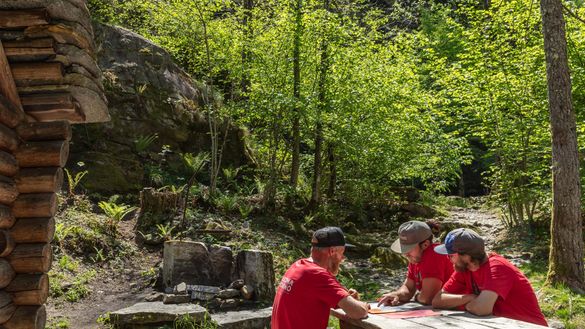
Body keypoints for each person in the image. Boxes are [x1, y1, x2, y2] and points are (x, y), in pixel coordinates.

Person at [432, 228, 548, 327]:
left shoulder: (497, 267)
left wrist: (466, 303)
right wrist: (470, 298)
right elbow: (437, 301)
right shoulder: (464, 269)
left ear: (466, 255)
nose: (448, 259)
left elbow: (481, 309)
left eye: (451, 255)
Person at [271, 226, 369, 329]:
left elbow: (325, 297)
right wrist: (364, 306)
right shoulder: (317, 274)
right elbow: (359, 312)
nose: (342, 258)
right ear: (332, 251)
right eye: (342, 253)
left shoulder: (298, 266)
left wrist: (349, 300)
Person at [377, 220, 454, 306]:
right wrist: (397, 295)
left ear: (425, 244)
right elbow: (408, 288)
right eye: (404, 249)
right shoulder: (416, 257)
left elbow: (427, 298)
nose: (405, 254)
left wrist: (416, 296)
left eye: (409, 248)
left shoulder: (433, 254)